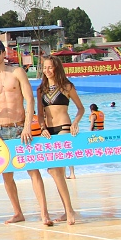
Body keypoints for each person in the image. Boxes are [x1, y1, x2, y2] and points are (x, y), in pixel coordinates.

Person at [0, 40, 53, 226]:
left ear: (3, 53)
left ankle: (44, 213)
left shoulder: (17, 72)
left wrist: (28, 126)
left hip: (20, 125)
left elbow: (29, 99)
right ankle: (17, 212)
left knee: (33, 170)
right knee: (7, 174)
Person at [37, 55, 83, 225]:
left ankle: (69, 211)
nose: (47, 70)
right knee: (57, 173)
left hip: (64, 128)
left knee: (55, 170)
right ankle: (68, 210)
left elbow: (80, 108)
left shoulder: (67, 86)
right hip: (48, 132)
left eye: (50, 67)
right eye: (44, 67)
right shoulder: (41, 89)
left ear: (56, 68)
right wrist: (42, 128)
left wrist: (75, 123)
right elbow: (40, 114)